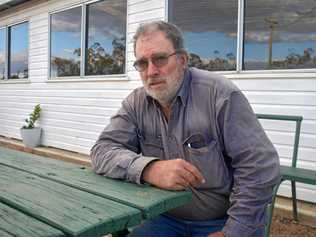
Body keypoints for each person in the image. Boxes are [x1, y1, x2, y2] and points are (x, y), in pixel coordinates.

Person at [90, 21, 280, 237]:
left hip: (221, 220)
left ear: (182, 60)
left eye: (160, 59)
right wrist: (149, 169)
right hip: (163, 218)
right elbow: (101, 151)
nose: (151, 71)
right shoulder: (136, 103)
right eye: (142, 63)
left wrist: (233, 232)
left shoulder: (220, 95)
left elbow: (260, 167)